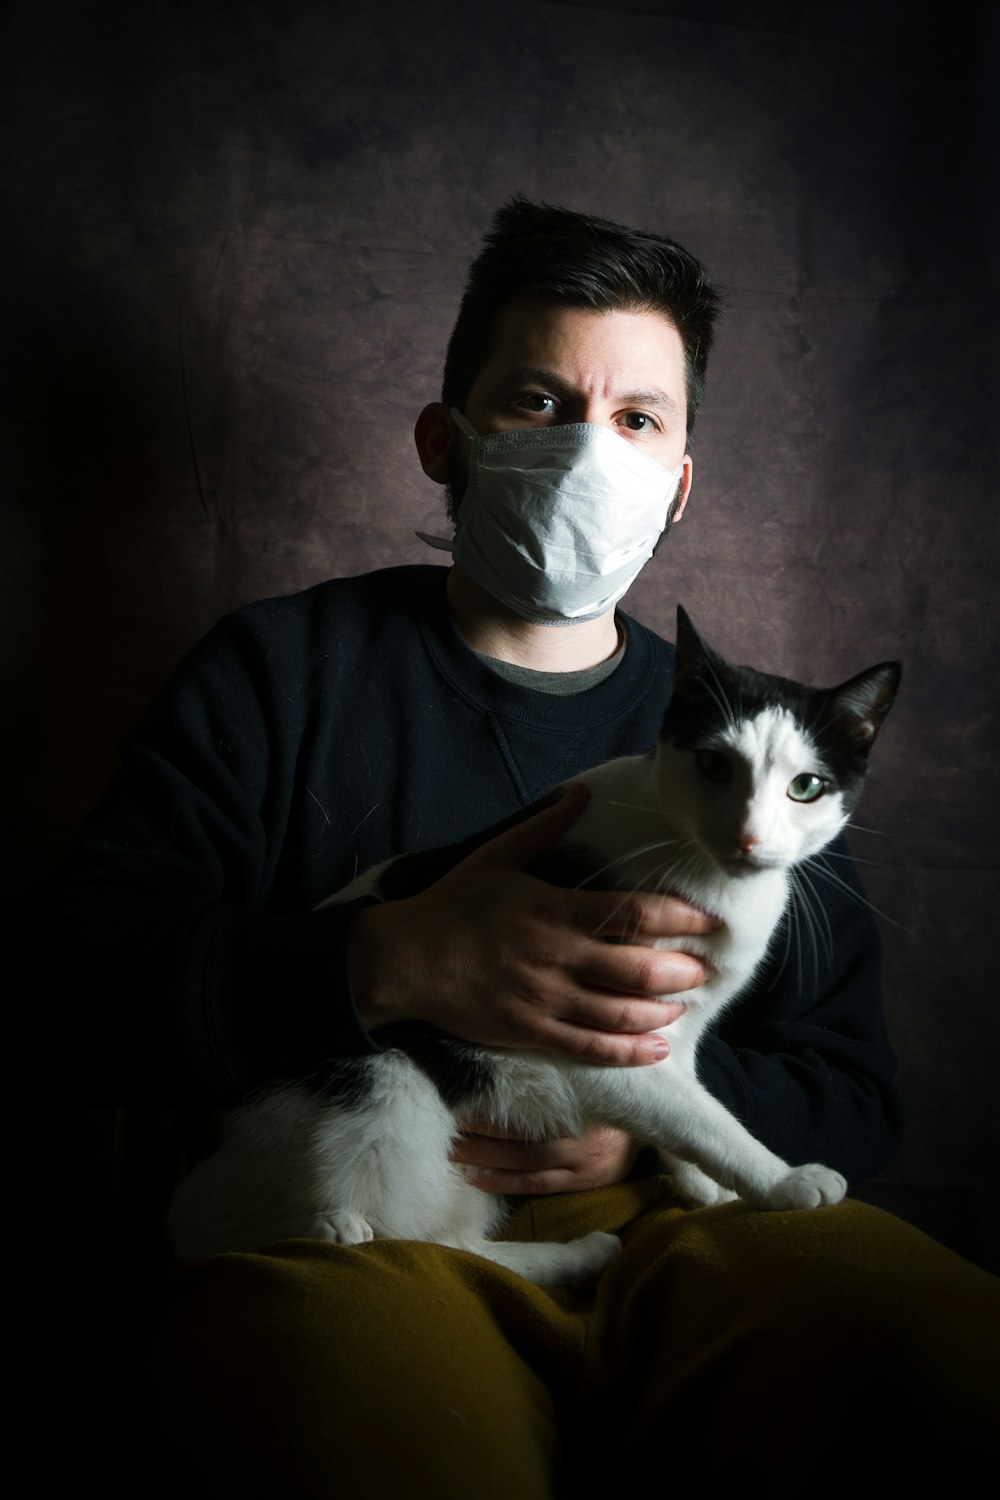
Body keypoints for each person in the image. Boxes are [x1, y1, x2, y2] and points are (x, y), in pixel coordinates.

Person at [37, 198, 999, 1494]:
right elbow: (66, 988)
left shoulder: (750, 740)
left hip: (673, 1223)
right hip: (362, 1202)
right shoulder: (278, 674)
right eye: (541, 402)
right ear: (448, 438)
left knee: (933, 1353)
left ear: (679, 485)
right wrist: (383, 961)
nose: (594, 453)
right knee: (369, 1426)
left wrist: (636, 1129)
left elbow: (854, 1084)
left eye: (639, 420)